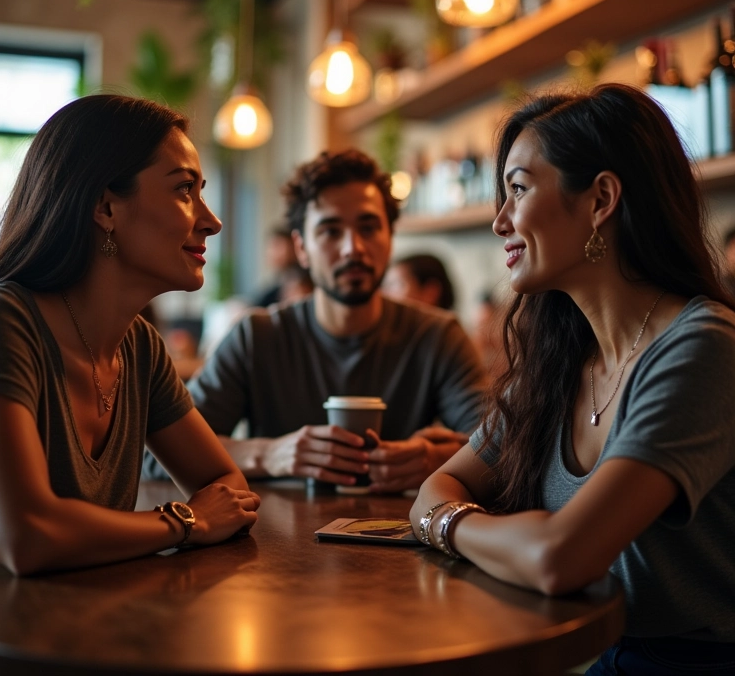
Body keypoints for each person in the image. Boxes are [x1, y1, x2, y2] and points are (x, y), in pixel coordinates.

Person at [411, 83, 735, 674]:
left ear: (601, 199)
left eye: (518, 189)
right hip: (587, 650)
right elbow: (434, 492)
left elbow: (561, 558)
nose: (499, 221)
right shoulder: (558, 362)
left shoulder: (703, 347)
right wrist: (482, 528)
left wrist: (455, 526)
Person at [0, 95, 259, 575]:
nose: (211, 220)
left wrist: (197, 518)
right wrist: (187, 522)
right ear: (105, 207)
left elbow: (228, 488)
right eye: (185, 190)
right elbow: (22, 535)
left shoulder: (140, 347)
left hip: (84, 633)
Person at [153, 149, 484, 494]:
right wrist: (269, 454)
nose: (352, 248)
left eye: (369, 227)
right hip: (269, 543)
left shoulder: (437, 336)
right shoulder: (257, 338)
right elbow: (159, 459)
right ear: (301, 248)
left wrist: (438, 460)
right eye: (330, 231)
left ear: (390, 237)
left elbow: (504, 450)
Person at [382, 253, 455, 310]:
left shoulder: (447, 328)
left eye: (396, 285)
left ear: (431, 292)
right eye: (386, 285)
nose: (385, 293)